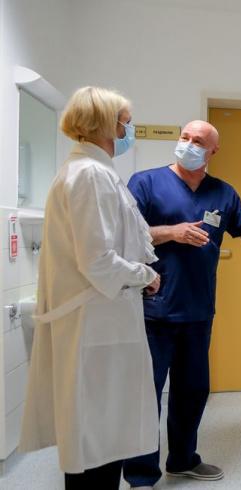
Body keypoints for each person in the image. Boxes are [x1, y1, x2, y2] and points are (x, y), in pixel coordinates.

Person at [122, 120, 241, 488]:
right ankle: (141, 475)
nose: (189, 144)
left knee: (192, 391)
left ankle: (182, 460)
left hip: (198, 310)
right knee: (145, 395)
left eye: (198, 140)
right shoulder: (146, 183)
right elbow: (127, 235)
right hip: (153, 309)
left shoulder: (223, 193)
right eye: (185, 137)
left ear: (213, 151)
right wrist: (172, 232)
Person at [19, 87, 160, 489]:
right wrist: (146, 275)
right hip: (97, 325)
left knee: (102, 438)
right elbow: (97, 261)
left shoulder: (93, 172)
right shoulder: (91, 175)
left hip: (103, 321)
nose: (129, 129)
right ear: (105, 124)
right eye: (126, 121)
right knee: (97, 439)